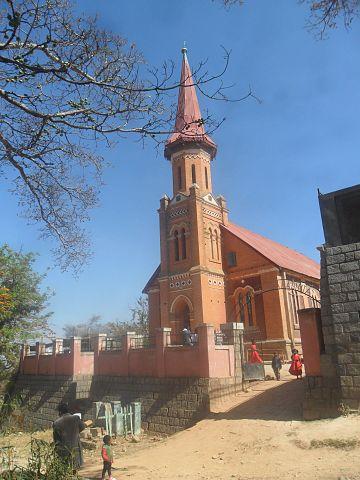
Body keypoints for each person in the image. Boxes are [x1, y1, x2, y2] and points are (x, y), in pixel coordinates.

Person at [53, 402, 86, 472]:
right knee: (75, 469)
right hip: (75, 449)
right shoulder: (76, 418)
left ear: (60, 412)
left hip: (64, 451)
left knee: (66, 470)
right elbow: (82, 427)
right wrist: (74, 432)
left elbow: (56, 440)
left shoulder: (56, 423)